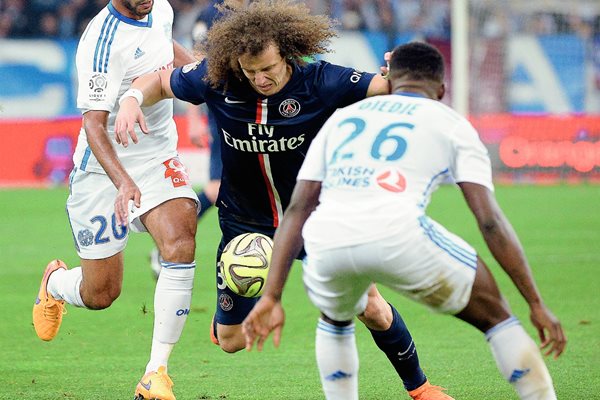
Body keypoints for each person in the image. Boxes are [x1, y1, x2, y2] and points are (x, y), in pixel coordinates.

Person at [115, 1, 451, 399]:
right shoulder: (219, 77)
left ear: (288, 54)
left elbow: (387, 86)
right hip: (245, 226)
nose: (259, 79)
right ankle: (226, 319)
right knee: (231, 341)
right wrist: (132, 100)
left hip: (313, 218)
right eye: (250, 71)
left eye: (268, 69)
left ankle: (420, 387)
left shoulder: (321, 81)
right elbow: (159, 81)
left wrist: (402, 71)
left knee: (371, 306)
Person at [242, 42, 567, 400]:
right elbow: (489, 220)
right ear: (441, 90)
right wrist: (535, 302)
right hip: (397, 234)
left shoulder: (343, 120)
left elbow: (298, 209)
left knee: (335, 321)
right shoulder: (451, 123)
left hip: (326, 240)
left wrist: (271, 296)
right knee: (497, 318)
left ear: (390, 81)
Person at [31, 1, 200, 399]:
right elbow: (92, 124)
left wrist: (197, 70)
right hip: (102, 168)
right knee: (101, 294)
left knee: (181, 239)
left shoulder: (159, 7)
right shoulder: (101, 42)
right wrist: (123, 183)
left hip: (156, 152)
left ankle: (155, 374)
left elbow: (162, 42)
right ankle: (55, 283)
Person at [149, 0, 227, 279]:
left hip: (255, 108)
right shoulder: (210, 15)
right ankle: (170, 239)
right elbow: (195, 66)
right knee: (217, 189)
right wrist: (194, 118)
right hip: (223, 108)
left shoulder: (259, 9)